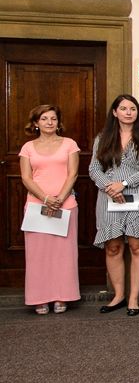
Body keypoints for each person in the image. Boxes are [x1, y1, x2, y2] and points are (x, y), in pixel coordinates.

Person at [89, 94, 139, 316]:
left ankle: (134, 299)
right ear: (115, 112)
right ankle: (118, 296)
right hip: (109, 197)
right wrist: (110, 187)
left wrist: (124, 184)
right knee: (113, 246)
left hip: (137, 196)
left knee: (137, 246)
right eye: (124, 108)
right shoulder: (103, 137)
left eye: (133, 108)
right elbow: (93, 169)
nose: (129, 112)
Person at [19, 104, 81, 315]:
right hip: (37, 207)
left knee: (64, 253)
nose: (49, 123)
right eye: (44, 119)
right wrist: (45, 198)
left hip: (66, 205)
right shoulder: (28, 147)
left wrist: (60, 198)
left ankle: (62, 296)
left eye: (53, 119)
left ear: (58, 122)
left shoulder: (69, 144)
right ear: (36, 123)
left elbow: (72, 174)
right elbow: (26, 177)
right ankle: (39, 298)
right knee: (38, 255)